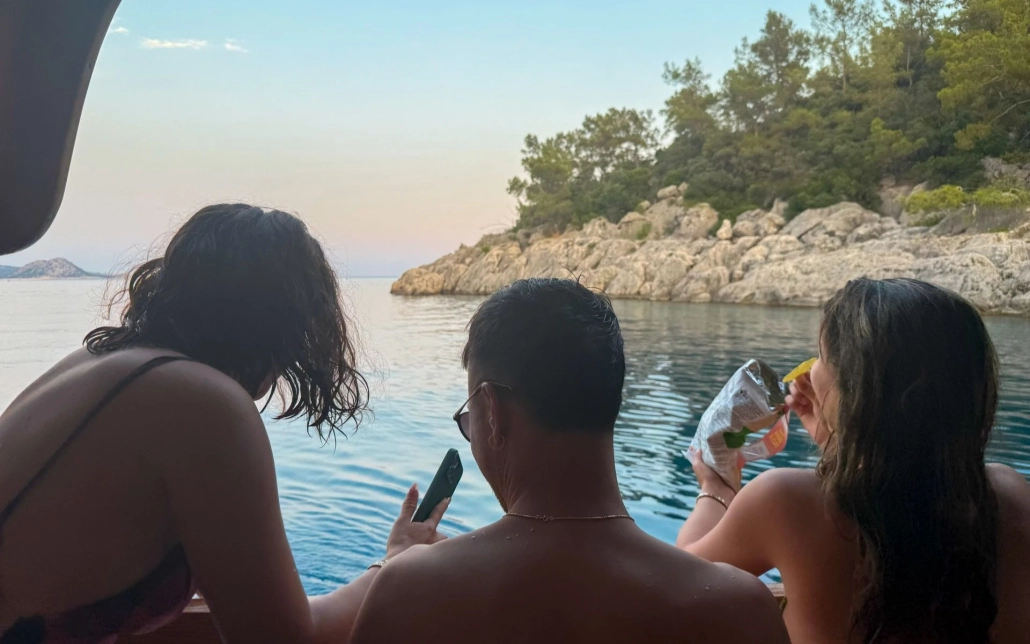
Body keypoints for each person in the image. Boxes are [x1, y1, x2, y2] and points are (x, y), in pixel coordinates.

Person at [0, 204, 449, 643]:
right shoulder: (204, 405)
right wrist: (396, 566)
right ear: (280, 325)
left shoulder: (100, 359)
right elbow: (286, 638)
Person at [350, 278, 789, 644]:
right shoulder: (738, 609)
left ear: (492, 411)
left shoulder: (411, 592)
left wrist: (398, 560)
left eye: (470, 416)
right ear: (611, 399)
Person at [677, 278, 1030, 644]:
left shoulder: (784, 501)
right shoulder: (1012, 496)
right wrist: (840, 443)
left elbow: (677, 583)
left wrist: (716, 489)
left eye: (822, 357)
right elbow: (907, 497)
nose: (810, 370)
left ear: (854, 392)